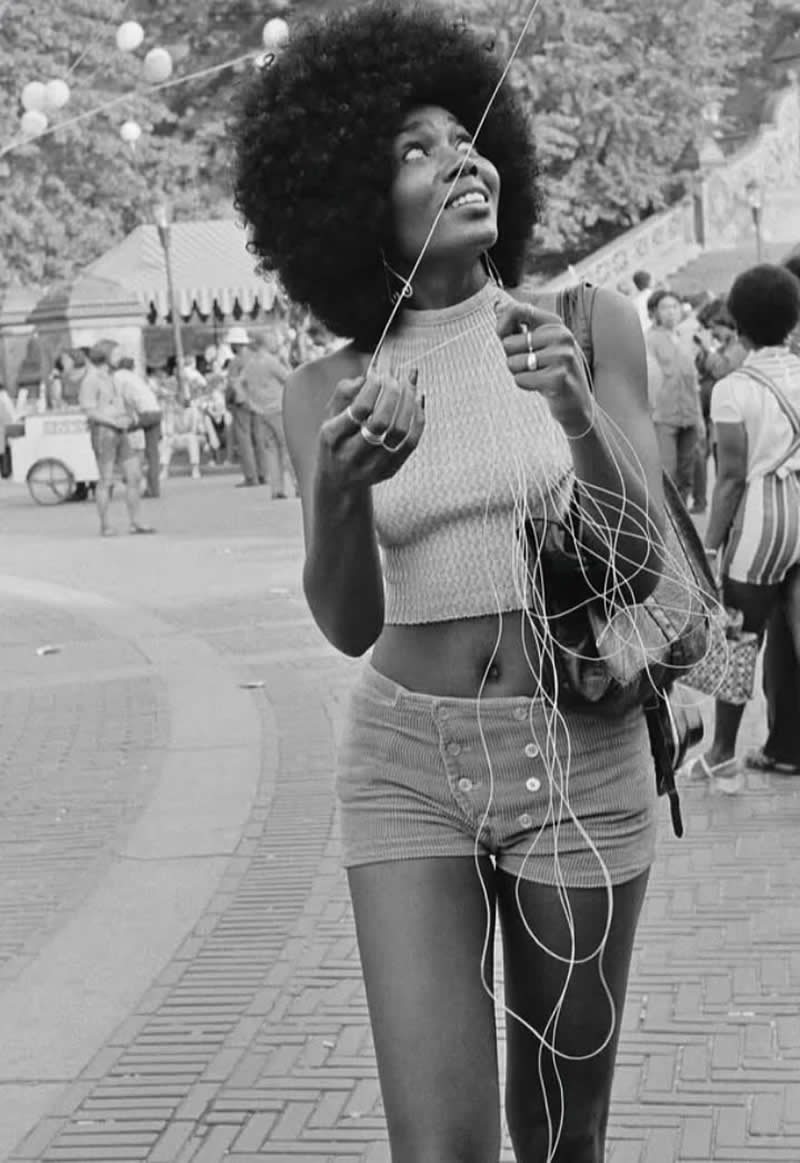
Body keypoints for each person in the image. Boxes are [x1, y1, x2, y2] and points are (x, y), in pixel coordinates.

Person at [233, 7, 668, 1161]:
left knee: (560, 1130)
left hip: (576, 749)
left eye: (461, 137)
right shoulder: (327, 386)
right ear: (348, 202)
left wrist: (573, 412)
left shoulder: (586, 324)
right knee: (439, 1145)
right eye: (413, 148)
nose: (457, 157)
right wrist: (336, 488)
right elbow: (345, 621)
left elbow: (647, 561)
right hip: (403, 760)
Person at [683, 264, 800, 784]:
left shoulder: (733, 387)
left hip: (761, 521)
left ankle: (723, 751)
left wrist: (708, 548)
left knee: (738, 638)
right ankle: (787, 746)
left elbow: (729, 478)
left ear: (739, 322)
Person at [78, 341, 154, 536]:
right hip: (104, 431)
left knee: (134, 475)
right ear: (105, 356)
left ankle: (135, 521)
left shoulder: (113, 378)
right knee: (106, 480)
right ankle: (105, 524)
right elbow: (89, 410)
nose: (119, 357)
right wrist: (112, 420)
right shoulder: (91, 380)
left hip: (120, 430)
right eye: (116, 354)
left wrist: (130, 414)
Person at [645, 289, 703, 504]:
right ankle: (668, 521)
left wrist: (698, 416)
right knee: (667, 472)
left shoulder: (683, 338)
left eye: (675, 307)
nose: (671, 312)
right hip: (664, 416)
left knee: (686, 472)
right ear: (655, 312)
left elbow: (692, 379)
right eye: (665, 307)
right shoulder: (650, 340)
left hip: (689, 414)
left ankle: (683, 521)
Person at [691, 299, 747, 514]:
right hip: (718, 414)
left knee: (727, 469)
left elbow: (723, 370)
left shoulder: (740, 347)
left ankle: (730, 512)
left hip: (732, 417)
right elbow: (706, 369)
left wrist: (708, 349)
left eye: (716, 328)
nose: (713, 333)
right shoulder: (725, 347)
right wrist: (703, 353)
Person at [239, 332, 293, 498]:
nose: (275, 343)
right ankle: (298, 485)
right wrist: (286, 361)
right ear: (265, 343)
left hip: (260, 410)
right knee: (288, 448)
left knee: (271, 449)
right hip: (277, 408)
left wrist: (251, 401)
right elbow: (289, 378)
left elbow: (241, 382)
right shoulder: (270, 361)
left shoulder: (250, 363)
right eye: (272, 340)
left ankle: (276, 489)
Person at [224, 326, 271, 488]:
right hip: (258, 402)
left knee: (244, 440)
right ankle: (264, 474)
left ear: (236, 345)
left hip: (242, 403)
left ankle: (251, 477)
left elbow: (232, 385)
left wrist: (228, 401)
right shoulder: (255, 358)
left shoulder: (235, 362)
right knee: (259, 438)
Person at [112, 354, 163, 498]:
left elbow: (118, 400)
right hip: (156, 413)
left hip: (144, 414)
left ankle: (127, 473)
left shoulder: (117, 377)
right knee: (153, 453)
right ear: (132, 367)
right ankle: (154, 490)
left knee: (116, 433)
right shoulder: (136, 378)